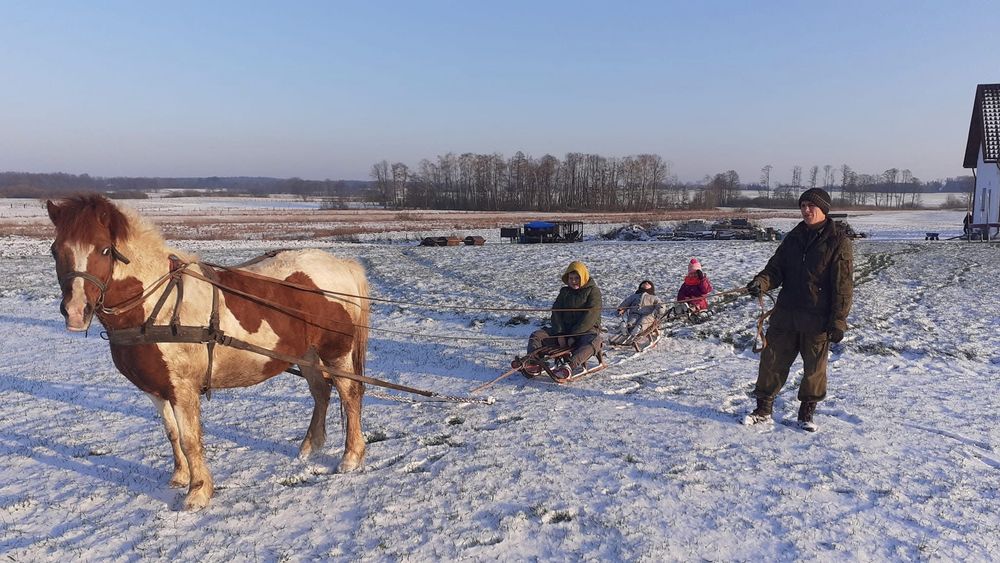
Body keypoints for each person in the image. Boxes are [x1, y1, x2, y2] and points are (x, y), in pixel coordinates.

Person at [744, 187, 853, 432]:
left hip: (817, 318)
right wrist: (761, 282)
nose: (805, 210)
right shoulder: (793, 238)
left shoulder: (838, 242)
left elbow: (843, 286)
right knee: (771, 362)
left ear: (823, 209)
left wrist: (838, 320)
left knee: (814, 370)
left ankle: (806, 414)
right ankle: (763, 411)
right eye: (802, 206)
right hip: (786, 314)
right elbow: (775, 269)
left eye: (810, 206)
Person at [524, 261, 603, 379]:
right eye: (571, 278)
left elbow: (590, 316)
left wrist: (573, 336)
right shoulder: (564, 292)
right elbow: (556, 312)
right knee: (537, 335)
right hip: (564, 332)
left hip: (585, 332)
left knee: (595, 341)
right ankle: (533, 362)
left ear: (583, 277)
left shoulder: (593, 291)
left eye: (577, 278)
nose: (574, 281)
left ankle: (569, 365)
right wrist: (560, 334)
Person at [613, 280, 667, 345]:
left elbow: (661, 305)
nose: (646, 282)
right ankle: (626, 329)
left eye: (648, 283)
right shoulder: (634, 296)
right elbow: (626, 302)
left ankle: (636, 331)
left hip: (647, 315)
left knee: (643, 321)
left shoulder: (654, 297)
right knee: (631, 321)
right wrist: (621, 309)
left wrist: (660, 310)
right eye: (644, 283)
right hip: (634, 314)